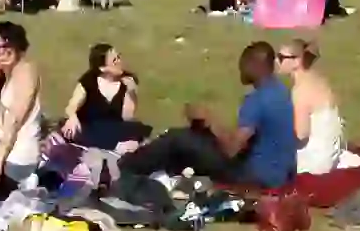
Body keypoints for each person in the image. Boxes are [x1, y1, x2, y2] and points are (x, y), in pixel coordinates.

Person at [121, 42, 297, 188]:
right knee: (197, 136)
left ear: (255, 66)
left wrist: (209, 120)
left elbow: (231, 150)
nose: (240, 70)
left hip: (254, 177)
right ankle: (160, 170)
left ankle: (125, 167)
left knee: (177, 138)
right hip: (277, 173)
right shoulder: (280, 91)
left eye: (243, 65)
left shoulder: (257, 100)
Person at [61, 44, 151, 152]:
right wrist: (72, 117)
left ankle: (110, 144)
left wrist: (130, 93)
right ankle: (114, 146)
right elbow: (72, 105)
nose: (119, 62)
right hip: (90, 125)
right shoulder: (89, 81)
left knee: (134, 129)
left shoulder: (128, 81)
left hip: (115, 127)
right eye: (114, 60)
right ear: (102, 68)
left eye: (119, 57)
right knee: (73, 130)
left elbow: (127, 117)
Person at [0, 22, 43, 187]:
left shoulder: (25, 72)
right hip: (9, 155)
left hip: (18, 161)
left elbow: (15, 120)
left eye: (7, 45)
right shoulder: (12, 75)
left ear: (18, 47)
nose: (1, 52)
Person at [276, 39, 343, 174]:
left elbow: (301, 135)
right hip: (332, 152)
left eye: (281, 57)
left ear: (297, 61)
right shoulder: (319, 80)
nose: (277, 61)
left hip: (315, 161)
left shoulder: (301, 90)